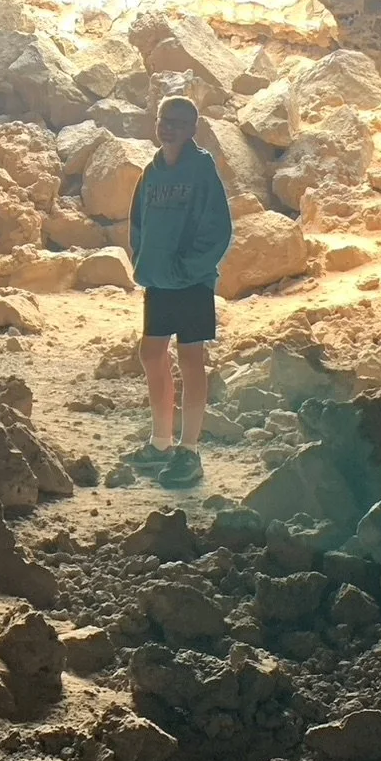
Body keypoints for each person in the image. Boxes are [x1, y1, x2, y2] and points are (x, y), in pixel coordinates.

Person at [124, 95, 233, 488]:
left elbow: (218, 229)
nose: (166, 126)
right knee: (151, 352)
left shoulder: (202, 171)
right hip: (158, 279)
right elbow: (139, 221)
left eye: (176, 121)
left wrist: (187, 267)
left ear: (192, 129)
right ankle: (160, 442)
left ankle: (189, 450)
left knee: (190, 358)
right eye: (162, 119)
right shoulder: (151, 172)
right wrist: (145, 262)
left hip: (190, 282)